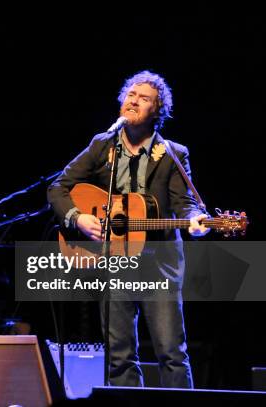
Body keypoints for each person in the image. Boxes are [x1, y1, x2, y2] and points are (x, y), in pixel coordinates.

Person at [47, 71, 210, 388]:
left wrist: (195, 221)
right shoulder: (102, 144)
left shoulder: (174, 153)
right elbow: (58, 188)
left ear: (157, 111)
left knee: (171, 354)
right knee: (119, 356)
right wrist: (78, 217)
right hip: (115, 260)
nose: (134, 101)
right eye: (131, 94)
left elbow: (185, 202)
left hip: (159, 263)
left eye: (144, 98)